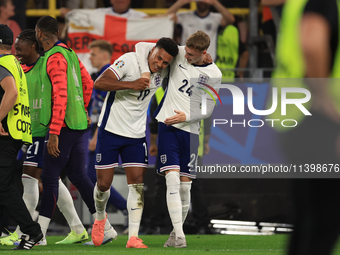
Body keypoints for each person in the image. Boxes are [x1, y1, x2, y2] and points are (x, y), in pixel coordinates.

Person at [0, 29, 90, 246]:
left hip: (46, 129)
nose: (18, 53)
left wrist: (57, 127)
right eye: (16, 49)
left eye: (21, 49)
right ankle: (78, 228)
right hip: (28, 130)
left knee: (31, 178)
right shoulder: (19, 67)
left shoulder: (49, 63)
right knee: (53, 180)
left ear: (33, 46)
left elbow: (71, 88)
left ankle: (28, 231)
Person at [34, 16, 116, 245]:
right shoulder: (70, 53)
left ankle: (39, 235)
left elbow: (60, 95)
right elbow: (88, 84)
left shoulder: (53, 58)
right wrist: (82, 108)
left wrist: (53, 133)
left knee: (50, 177)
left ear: (40, 34)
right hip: (79, 124)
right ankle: (106, 227)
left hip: (65, 127)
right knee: (79, 176)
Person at [135, 30, 222, 248]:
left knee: (186, 187)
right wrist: (146, 72)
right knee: (171, 180)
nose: (188, 57)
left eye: (193, 55)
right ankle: (181, 236)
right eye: (188, 52)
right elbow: (142, 46)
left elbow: (208, 108)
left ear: (204, 53)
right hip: (168, 126)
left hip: (191, 131)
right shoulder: (180, 52)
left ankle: (176, 233)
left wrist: (187, 116)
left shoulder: (214, 73)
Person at [91, 37, 178, 248]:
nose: (160, 64)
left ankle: (133, 236)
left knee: (137, 185)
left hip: (136, 135)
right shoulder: (129, 61)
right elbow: (100, 83)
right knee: (103, 185)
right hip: (110, 129)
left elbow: (185, 54)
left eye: (165, 63)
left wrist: (204, 57)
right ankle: (100, 219)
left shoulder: (163, 71)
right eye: (158, 58)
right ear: (153, 51)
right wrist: (131, 84)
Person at [271, 0, 340, 254]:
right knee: (322, 226)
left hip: (295, 117)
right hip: (316, 120)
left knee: (308, 224)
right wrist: (327, 105)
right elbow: (311, 41)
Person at [0, 24, 43, 250]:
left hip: (6, 133)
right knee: (5, 185)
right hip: (16, 131)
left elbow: (12, 93)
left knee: (3, 186)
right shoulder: (14, 63)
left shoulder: (2, 63)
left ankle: (32, 232)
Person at [87, 39, 128, 224]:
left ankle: (122, 210)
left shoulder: (109, 76)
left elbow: (107, 107)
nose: (90, 57)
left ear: (105, 55)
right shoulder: (97, 74)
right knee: (87, 175)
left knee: (93, 176)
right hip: (92, 128)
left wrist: (95, 135)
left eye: (93, 54)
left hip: (102, 131)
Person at [167, 0, 234, 61]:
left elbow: (231, 20)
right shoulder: (185, 16)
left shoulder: (216, 18)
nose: (202, 2)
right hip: (186, 60)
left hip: (207, 61)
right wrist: (181, 2)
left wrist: (215, 3)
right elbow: (165, 18)